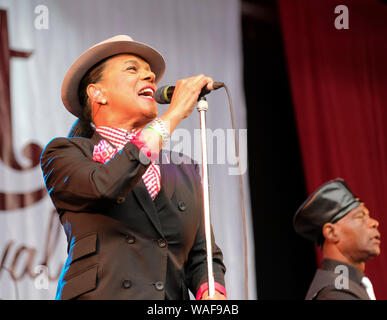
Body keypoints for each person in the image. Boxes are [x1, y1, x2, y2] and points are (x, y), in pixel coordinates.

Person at [40, 35, 227, 300]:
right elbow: (104, 186)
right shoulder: (64, 153)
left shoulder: (185, 169)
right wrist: (172, 116)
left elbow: (203, 255)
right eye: (132, 69)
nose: (149, 76)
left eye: (150, 73)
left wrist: (211, 293)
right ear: (98, 93)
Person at [293, 178, 381, 300]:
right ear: (331, 232)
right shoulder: (336, 294)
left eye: (369, 216)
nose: (374, 222)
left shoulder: (346, 285)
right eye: (360, 216)